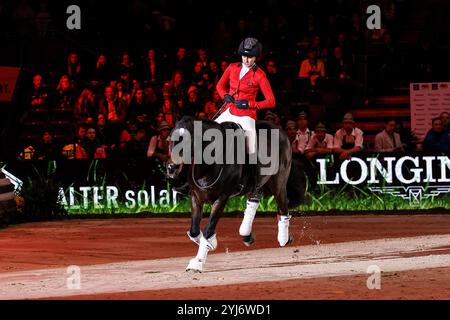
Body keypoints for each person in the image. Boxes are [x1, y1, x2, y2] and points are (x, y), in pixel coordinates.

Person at [215, 37, 277, 231]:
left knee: (251, 148)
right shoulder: (232, 68)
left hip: (247, 115)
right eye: (244, 55)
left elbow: (271, 101)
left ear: (256, 58)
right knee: (206, 136)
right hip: (228, 110)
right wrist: (223, 96)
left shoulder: (260, 76)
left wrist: (251, 104)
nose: (246, 59)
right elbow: (220, 86)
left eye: (250, 57)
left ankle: (254, 185)